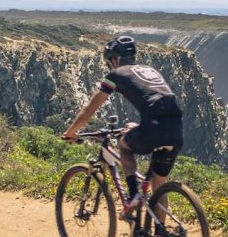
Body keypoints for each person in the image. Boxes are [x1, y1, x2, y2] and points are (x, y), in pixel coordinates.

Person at [62, 35, 184, 215]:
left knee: (123, 144)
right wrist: (138, 127)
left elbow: (89, 109)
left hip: (154, 127)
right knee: (158, 184)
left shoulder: (115, 75)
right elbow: (157, 103)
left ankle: (133, 195)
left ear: (114, 59)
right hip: (176, 129)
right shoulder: (149, 70)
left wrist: (71, 132)